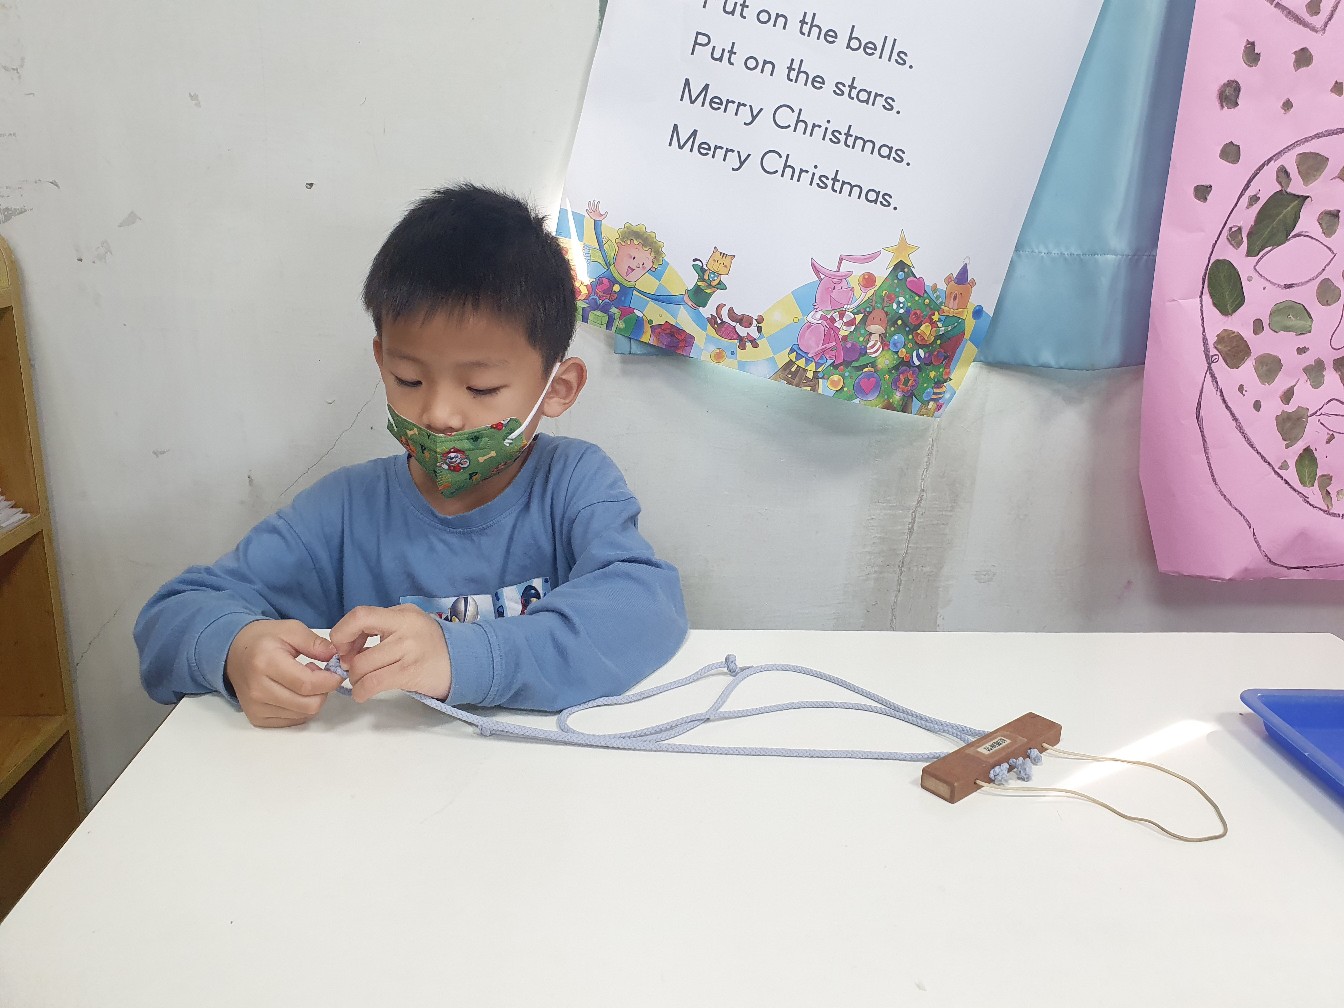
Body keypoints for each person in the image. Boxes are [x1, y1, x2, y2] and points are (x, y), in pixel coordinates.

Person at [135, 184, 689, 727]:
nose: (440, 414)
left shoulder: (574, 483)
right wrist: (236, 650)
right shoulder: (344, 510)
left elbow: (647, 608)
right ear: (382, 362)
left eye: (481, 388)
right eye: (409, 379)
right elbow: (172, 614)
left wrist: (465, 655)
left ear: (558, 388)